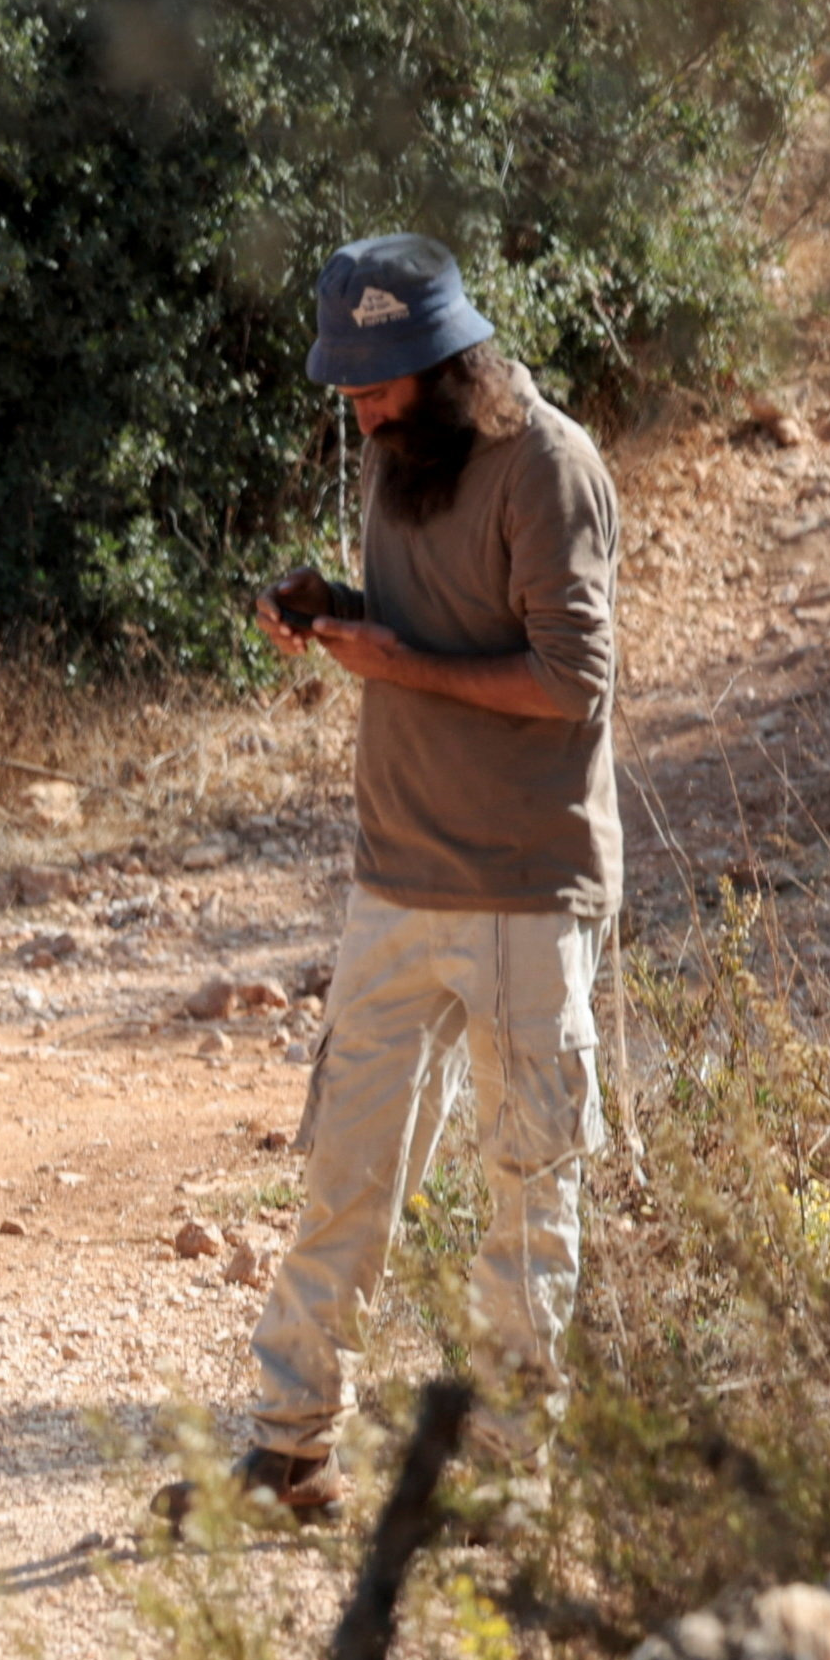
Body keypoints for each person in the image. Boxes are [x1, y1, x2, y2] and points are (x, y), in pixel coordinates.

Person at [204, 234, 625, 1526]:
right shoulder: (404, 457)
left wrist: (393, 664)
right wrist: (328, 603)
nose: (361, 404)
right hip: (395, 879)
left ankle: (508, 1477)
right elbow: (422, 619)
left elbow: (571, 680)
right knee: (344, 1170)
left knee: (525, 1190)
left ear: (450, 362)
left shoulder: (548, 468)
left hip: (522, 891)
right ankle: (288, 1451)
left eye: (381, 381)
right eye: (350, 383)